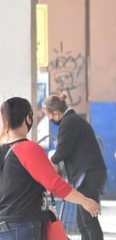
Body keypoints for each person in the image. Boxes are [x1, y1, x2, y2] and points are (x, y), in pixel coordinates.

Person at [0, 97, 101, 240]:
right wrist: (85, 201)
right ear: (28, 118)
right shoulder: (28, 149)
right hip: (22, 227)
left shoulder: (3, 149)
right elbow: (55, 184)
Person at [42, 94, 107, 240]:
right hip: (90, 174)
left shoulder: (69, 122)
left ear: (56, 114)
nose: (50, 120)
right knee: (82, 222)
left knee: (89, 221)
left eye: (49, 116)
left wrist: (45, 163)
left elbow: (61, 152)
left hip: (87, 175)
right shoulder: (73, 120)